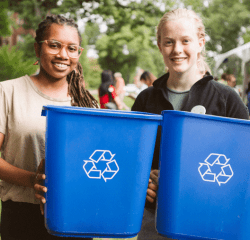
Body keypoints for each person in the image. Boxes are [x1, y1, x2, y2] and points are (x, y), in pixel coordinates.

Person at [131, 8, 249, 240]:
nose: (177, 50)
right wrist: (142, 182)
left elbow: (244, 161)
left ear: (201, 42)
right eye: (168, 42)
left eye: (186, 41)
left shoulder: (226, 99)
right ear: (159, 46)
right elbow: (133, 159)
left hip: (211, 219)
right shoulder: (146, 99)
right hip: (156, 222)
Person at [0, 14, 99, 240]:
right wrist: (32, 179)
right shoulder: (8, 92)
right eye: (54, 45)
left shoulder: (87, 103)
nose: (63, 55)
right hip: (22, 217)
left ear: (78, 53)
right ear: (37, 49)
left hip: (75, 214)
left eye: (72, 48)